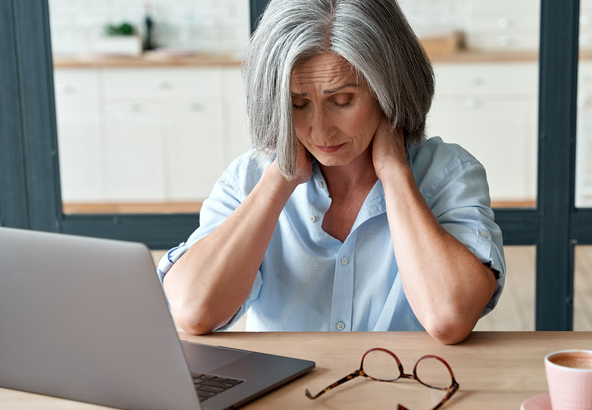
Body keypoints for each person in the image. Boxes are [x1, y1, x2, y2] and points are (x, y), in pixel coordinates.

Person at [158, 0, 505, 345]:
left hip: (405, 393)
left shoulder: (448, 175)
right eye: (297, 105)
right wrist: (280, 179)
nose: (320, 132)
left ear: (390, 91)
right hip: (285, 398)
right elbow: (194, 311)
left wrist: (395, 173)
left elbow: (449, 318)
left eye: (342, 102)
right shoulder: (247, 179)